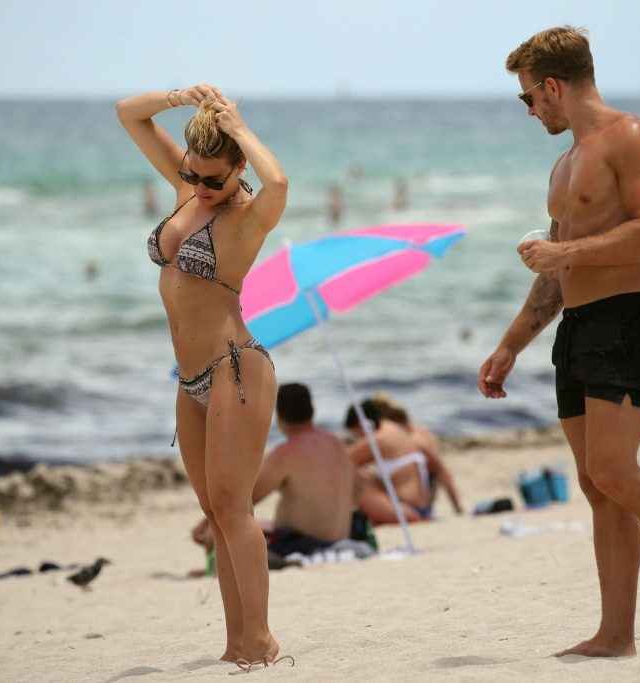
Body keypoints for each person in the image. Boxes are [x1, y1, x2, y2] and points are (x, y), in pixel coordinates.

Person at [478, 27, 640, 656]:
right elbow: (556, 276)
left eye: (528, 98)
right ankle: (616, 634)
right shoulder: (564, 165)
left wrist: (563, 249)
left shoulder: (632, 138)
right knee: (598, 486)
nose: (530, 110)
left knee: (613, 469)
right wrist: (511, 345)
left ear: (553, 87)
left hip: (627, 317)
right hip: (577, 328)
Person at [117, 83, 288, 667]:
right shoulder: (189, 186)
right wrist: (177, 97)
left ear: (238, 166)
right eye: (197, 174)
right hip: (189, 380)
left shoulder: (246, 215)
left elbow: (280, 183)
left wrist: (238, 127)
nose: (206, 188)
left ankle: (262, 637)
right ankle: (236, 642)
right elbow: (128, 115)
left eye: (218, 179)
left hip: (234, 369)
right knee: (214, 511)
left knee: (233, 506)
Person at [192, 383, 356, 566]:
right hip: (341, 538)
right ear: (312, 410)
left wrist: (207, 523)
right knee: (261, 526)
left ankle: (215, 571)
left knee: (230, 530)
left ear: (278, 416)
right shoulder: (338, 445)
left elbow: (241, 500)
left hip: (302, 545)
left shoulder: (286, 453)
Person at [371, 393, 464, 516]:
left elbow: (441, 471)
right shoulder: (422, 432)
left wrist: (458, 508)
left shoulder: (413, 439)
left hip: (418, 503)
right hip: (425, 497)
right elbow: (442, 472)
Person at [345, 399, 436, 524]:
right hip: (423, 508)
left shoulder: (377, 440)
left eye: (356, 434)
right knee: (367, 475)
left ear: (364, 425)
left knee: (357, 480)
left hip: (409, 511)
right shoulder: (393, 429)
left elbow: (341, 462)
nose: (358, 438)